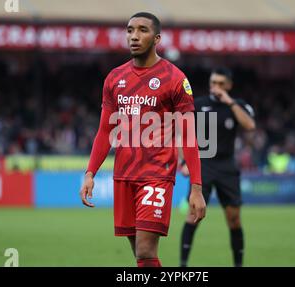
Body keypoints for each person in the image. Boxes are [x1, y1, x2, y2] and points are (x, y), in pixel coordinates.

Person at [79, 12, 206, 267]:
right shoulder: (115, 78)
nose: (134, 36)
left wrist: (196, 187)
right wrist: (90, 172)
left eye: (142, 30)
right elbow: (105, 131)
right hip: (124, 174)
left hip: (157, 173)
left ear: (157, 38)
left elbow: (188, 135)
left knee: (146, 250)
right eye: (129, 30)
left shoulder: (175, 79)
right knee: (140, 254)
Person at [179, 67, 256, 267]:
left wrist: (230, 102)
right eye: (214, 83)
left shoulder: (236, 106)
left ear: (229, 86)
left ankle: (238, 264)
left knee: (234, 219)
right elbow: (184, 134)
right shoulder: (199, 105)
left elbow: (250, 126)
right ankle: (183, 265)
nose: (216, 87)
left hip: (227, 166)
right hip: (203, 164)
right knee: (192, 216)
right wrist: (183, 162)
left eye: (221, 84)